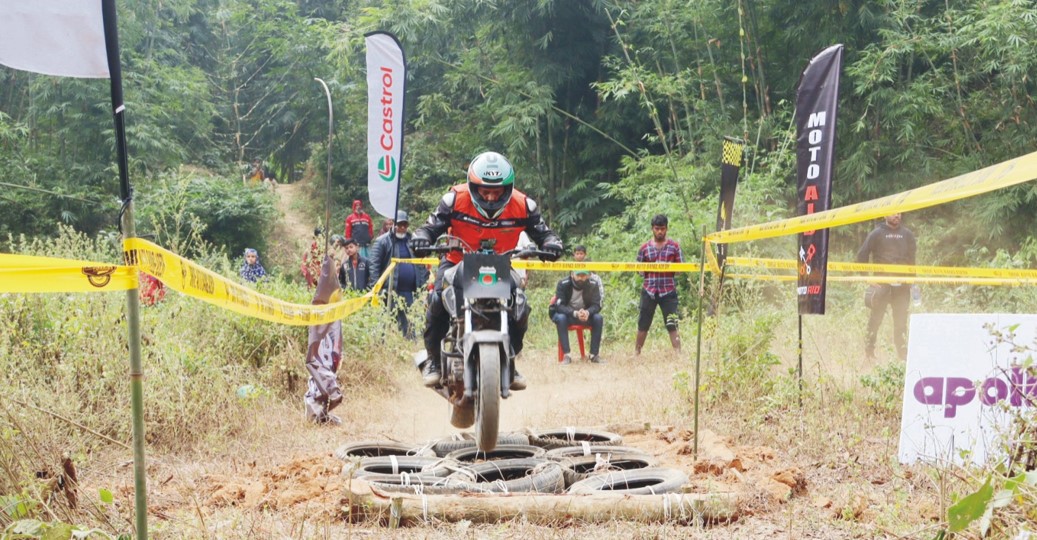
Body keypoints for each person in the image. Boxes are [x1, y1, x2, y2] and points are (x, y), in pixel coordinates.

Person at [410, 151, 563, 390]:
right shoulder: (454, 200)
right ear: (473, 187)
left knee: (520, 305)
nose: (491, 197)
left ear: (507, 189)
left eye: (497, 191)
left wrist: (552, 244)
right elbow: (429, 228)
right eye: (485, 191)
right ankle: (434, 362)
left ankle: (509, 361)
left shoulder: (524, 205)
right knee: (437, 299)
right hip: (456, 262)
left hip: (501, 265)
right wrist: (420, 238)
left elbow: (545, 234)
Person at [856, 213, 917, 360]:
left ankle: (903, 358)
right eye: (893, 212)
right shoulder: (877, 233)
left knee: (901, 323)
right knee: (875, 321)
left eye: (899, 212)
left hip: (902, 287)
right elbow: (862, 255)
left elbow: (912, 260)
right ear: (884, 214)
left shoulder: (907, 234)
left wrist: (912, 281)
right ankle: (869, 355)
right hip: (881, 285)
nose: (897, 215)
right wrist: (867, 278)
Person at [370, 211, 428, 338]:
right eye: (400, 224)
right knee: (384, 323)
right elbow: (374, 266)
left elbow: (421, 264)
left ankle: (409, 347)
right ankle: (381, 347)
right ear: (393, 224)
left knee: (409, 324)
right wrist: (376, 289)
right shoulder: (382, 241)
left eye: (405, 225)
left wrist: (423, 285)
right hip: (389, 290)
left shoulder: (413, 240)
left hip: (410, 291)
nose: (402, 228)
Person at [635, 214, 684, 355]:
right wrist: (650, 268)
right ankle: (636, 353)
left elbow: (681, 270)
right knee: (643, 323)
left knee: (672, 323)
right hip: (649, 290)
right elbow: (639, 271)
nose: (660, 232)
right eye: (657, 229)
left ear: (667, 229)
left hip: (668, 290)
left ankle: (678, 354)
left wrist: (668, 267)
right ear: (652, 229)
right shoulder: (644, 248)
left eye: (662, 229)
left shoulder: (674, 247)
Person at [304, 256, 344, 425]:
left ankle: (322, 413)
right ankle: (315, 414)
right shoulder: (319, 304)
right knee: (319, 372)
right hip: (320, 345)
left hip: (330, 343)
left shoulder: (336, 301)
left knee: (329, 368)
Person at [551, 269, 605, 364]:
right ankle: (567, 355)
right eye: (578, 275)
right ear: (572, 274)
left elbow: (597, 305)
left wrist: (587, 312)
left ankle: (594, 355)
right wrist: (575, 313)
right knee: (561, 318)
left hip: (585, 316)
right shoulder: (563, 284)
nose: (581, 278)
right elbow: (559, 306)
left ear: (588, 275)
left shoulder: (593, 284)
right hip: (569, 316)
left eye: (584, 275)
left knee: (598, 318)